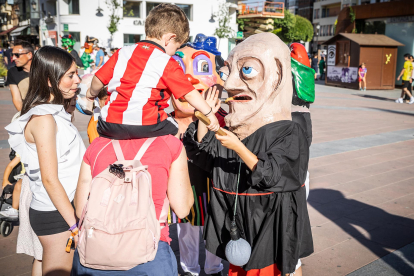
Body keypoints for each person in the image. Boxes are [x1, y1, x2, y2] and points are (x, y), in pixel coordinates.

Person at [183, 33, 313, 276]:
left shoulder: (289, 131)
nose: (230, 83)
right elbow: (205, 155)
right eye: (226, 72)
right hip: (238, 223)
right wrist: (207, 116)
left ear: (278, 76)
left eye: (248, 70)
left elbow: (276, 175)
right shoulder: (233, 130)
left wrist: (239, 148)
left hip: (267, 225)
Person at [6, 46, 85, 276]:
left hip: (56, 210)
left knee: (44, 266)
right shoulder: (43, 119)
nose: (78, 80)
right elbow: (50, 179)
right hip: (57, 213)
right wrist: (74, 225)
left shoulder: (50, 113)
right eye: (70, 75)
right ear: (50, 80)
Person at [86, 3, 219, 141]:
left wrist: (91, 94)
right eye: (177, 47)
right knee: (175, 132)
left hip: (108, 124)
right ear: (169, 39)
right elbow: (190, 95)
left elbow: (98, 79)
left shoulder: (122, 52)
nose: (174, 52)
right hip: (146, 124)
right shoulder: (167, 62)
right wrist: (209, 114)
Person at [72, 136, 194, 275]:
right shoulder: (169, 143)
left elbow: (80, 206)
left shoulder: (98, 144)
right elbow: (182, 209)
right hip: (149, 254)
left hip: (96, 250)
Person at [6, 40, 33, 111]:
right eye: (12, 55)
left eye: (17, 55)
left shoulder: (43, 68)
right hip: (28, 111)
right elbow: (16, 99)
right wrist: (25, 115)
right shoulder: (12, 72)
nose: (13, 58)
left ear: (29, 55)